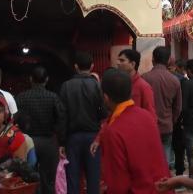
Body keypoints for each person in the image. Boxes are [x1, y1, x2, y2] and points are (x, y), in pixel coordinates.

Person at [98, 70, 172, 193]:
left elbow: (118, 184)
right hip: (161, 188)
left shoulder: (114, 131)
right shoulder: (146, 116)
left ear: (105, 97)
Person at [59, 52, 105, 194]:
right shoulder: (97, 86)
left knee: (72, 177)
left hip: (73, 138)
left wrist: (61, 141)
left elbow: (62, 116)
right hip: (93, 137)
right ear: (92, 66)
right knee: (93, 177)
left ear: (75, 66)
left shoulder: (66, 86)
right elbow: (103, 112)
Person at [15, 66, 65, 194]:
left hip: (27, 142)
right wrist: (61, 141)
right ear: (46, 79)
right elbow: (61, 119)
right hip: (48, 142)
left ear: (31, 79)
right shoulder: (53, 97)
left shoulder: (21, 97)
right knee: (49, 178)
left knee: (27, 176)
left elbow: (15, 119)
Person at [142, 46, 183, 168]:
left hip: (148, 125)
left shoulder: (145, 78)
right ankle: (164, 181)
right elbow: (178, 107)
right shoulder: (174, 80)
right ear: (169, 60)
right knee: (164, 158)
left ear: (153, 59)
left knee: (148, 158)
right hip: (167, 125)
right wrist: (171, 120)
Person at [116, 48, 156, 115]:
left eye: (122, 60)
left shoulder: (143, 86)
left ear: (132, 64)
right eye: (118, 60)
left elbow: (150, 113)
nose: (118, 63)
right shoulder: (118, 84)